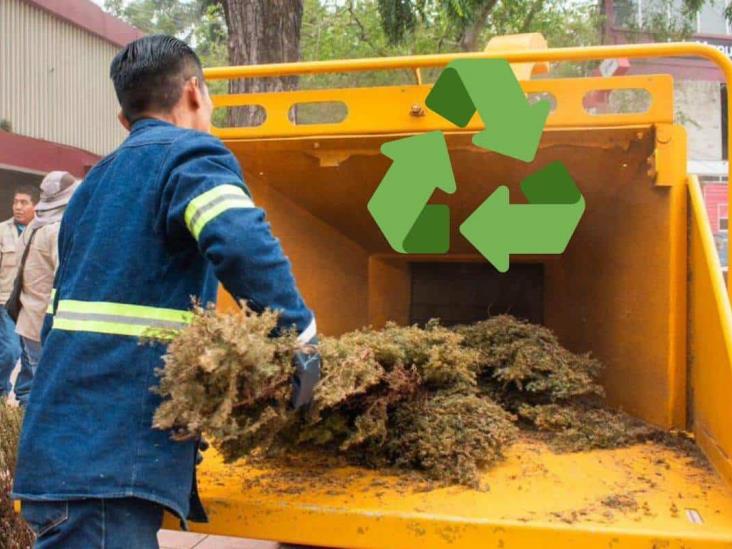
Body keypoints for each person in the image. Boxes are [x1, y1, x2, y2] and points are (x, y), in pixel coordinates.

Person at [13, 35, 320, 548]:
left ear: (123, 121)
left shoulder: (97, 182)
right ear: (195, 92)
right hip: (104, 466)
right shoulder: (189, 156)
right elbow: (240, 241)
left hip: (69, 453)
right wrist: (300, 336)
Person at [14, 172, 80, 407]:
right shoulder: (57, 230)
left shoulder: (34, 226)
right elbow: (65, 278)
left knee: (37, 385)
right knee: (49, 395)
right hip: (46, 325)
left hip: (28, 321)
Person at [0, 185, 38, 398]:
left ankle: (24, 398)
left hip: (31, 304)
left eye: (24, 202)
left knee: (28, 355)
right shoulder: (2, 231)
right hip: (5, 301)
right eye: (16, 202)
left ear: (36, 206)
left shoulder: (41, 230)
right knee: (10, 351)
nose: (18, 207)